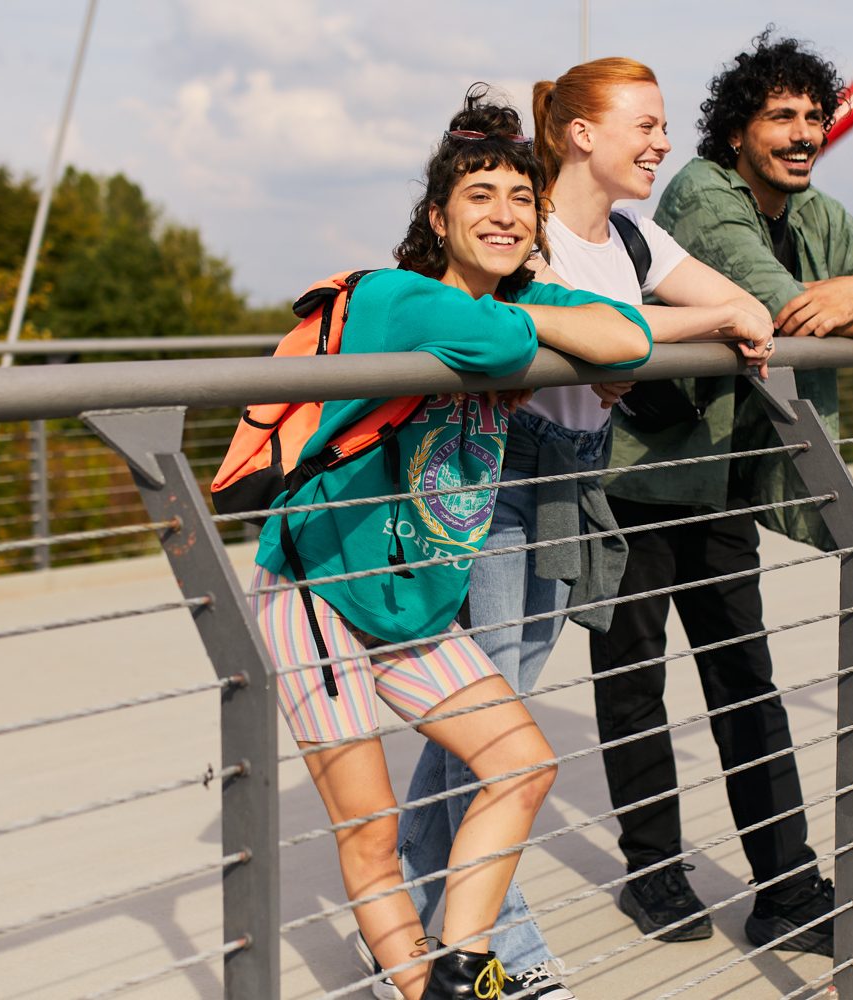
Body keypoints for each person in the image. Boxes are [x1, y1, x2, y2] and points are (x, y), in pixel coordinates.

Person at [254, 87, 652, 1000]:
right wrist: (538, 329)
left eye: (522, 199)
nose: (505, 215)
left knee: (522, 762)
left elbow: (622, 336)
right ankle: (421, 986)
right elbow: (488, 339)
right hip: (322, 592)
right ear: (438, 219)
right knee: (370, 831)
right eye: (481, 197)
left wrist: (537, 321)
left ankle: (461, 964)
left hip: (415, 604)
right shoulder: (394, 296)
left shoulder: (517, 299)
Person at [589, 29, 853, 957]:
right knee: (634, 685)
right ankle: (655, 873)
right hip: (639, 475)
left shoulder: (816, 214)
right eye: (781, 117)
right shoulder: (701, 196)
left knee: (744, 679)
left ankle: (787, 891)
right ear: (736, 132)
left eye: (814, 117)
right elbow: (771, 308)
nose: (803, 134)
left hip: (722, 479)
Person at [394, 58, 773, 999]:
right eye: (644, 125)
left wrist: (698, 316)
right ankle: (493, 944)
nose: (662, 142)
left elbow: (712, 309)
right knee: (492, 716)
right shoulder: (531, 234)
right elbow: (597, 330)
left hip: (571, 473)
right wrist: (671, 328)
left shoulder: (634, 237)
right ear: (580, 134)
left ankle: (418, 897)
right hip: (500, 469)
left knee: (487, 706)